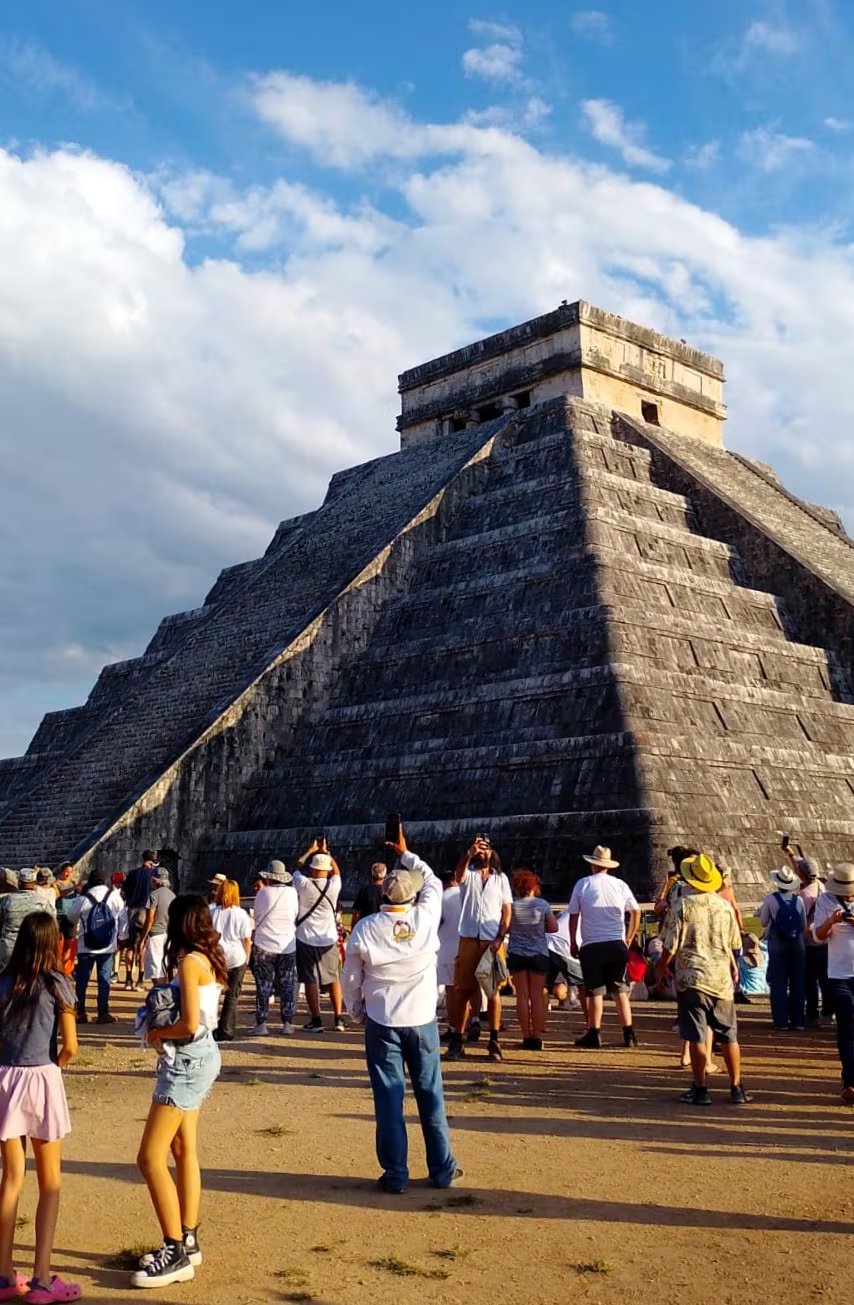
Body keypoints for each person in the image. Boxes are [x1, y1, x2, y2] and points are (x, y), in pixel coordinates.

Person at [342, 825, 459, 1194]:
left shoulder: (365, 928)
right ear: (412, 897)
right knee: (431, 1095)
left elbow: (351, 978)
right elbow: (433, 880)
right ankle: (442, 1170)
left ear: (381, 893)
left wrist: (357, 1011)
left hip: (382, 1020)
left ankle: (396, 1173)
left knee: (389, 1099)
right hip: (422, 1020)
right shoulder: (425, 919)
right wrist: (407, 853)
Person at [133, 895, 226, 1288]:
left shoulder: (189, 962)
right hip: (203, 1055)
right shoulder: (207, 957)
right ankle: (187, 1235)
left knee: (149, 1157)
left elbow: (188, 1023)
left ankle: (174, 1250)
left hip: (187, 1058)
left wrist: (155, 1032)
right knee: (183, 1148)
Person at [0, 912, 80, 1302]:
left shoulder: (4, 982)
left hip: (6, 1079)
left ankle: (2, 1274)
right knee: (50, 1183)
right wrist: (53, 1069)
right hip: (42, 1077)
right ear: (53, 943)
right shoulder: (58, 984)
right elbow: (70, 1046)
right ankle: (43, 1278)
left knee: (11, 1177)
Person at [656, 852, 751, 1106]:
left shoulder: (682, 906)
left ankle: (700, 1088)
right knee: (729, 1035)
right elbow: (733, 943)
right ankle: (737, 1086)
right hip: (720, 979)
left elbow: (669, 944)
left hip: (691, 978)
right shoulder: (724, 906)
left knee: (697, 1034)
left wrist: (661, 968)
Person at [445, 836, 511, 1064]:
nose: (482, 852)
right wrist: (468, 853)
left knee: (493, 993)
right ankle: (458, 1040)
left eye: (486, 849)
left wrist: (500, 938)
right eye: (479, 849)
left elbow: (507, 911)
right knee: (462, 991)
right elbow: (458, 874)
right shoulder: (469, 876)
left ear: (492, 853)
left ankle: (493, 1040)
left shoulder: (501, 880)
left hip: (492, 941)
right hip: (469, 939)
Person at [568, 845, 641, 1049]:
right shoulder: (620, 885)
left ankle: (594, 1032)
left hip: (592, 944)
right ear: (608, 866)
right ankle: (629, 1033)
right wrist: (629, 937)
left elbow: (574, 915)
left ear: (592, 864)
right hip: (616, 943)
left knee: (595, 991)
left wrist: (574, 941)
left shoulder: (582, 884)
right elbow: (635, 912)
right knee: (620, 990)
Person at [812, 863, 854, 1105]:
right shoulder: (826, 900)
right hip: (838, 974)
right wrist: (831, 921)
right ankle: (849, 1081)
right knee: (846, 1027)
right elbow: (817, 936)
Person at [293, 845, 345, 1033]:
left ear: (313, 869)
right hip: (329, 938)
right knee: (333, 979)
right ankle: (338, 1018)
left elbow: (296, 867)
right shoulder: (334, 885)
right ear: (327, 870)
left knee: (310, 979)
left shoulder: (304, 884)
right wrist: (328, 855)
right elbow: (337, 872)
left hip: (306, 937)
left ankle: (316, 1019)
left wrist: (311, 850)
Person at [507, 870, 558, 1050]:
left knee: (521, 996)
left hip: (517, 952)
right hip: (538, 953)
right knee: (537, 996)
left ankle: (525, 1035)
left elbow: (504, 927)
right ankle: (536, 1036)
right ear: (534, 886)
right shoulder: (542, 904)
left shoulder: (511, 905)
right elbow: (553, 927)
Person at [66, 868, 123, 1024]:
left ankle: (80, 1012)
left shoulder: (83, 898)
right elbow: (122, 919)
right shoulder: (114, 897)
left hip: (86, 946)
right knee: (104, 979)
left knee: (82, 981)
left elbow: (71, 917)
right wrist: (121, 938)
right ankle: (103, 1012)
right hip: (108, 946)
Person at [248, 861, 298, 1037]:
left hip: (264, 944)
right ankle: (287, 1022)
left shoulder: (263, 893)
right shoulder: (292, 893)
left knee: (263, 985)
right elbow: (294, 914)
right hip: (287, 943)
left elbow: (258, 915)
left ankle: (262, 1023)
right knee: (287, 984)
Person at [758, 865, 807, 1031]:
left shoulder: (771, 899)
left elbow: (764, 922)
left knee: (778, 982)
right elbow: (803, 924)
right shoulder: (798, 900)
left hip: (777, 942)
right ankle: (798, 1020)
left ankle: (781, 1021)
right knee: (797, 982)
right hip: (796, 943)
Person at [210, 880, 253, 1042]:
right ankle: (226, 1029)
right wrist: (247, 959)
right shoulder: (241, 914)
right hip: (236, 957)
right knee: (232, 996)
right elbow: (246, 939)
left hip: (216, 956)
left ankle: (210, 1026)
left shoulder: (211, 911)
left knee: (212, 993)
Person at [794, 857, 832, 1026]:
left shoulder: (802, 895)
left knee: (809, 981)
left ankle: (812, 1014)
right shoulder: (821, 887)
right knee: (825, 979)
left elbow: (799, 921)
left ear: (801, 873)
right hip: (824, 939)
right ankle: (828, 1012)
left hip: (808, 941)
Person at [0, 870, 54, 974]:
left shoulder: (7, 900)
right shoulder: (43, 902)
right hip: (33, 947)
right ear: (34, 883)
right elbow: (51, 923)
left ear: (19, 883)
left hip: (8, 947)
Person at [122, 852, 159, 990]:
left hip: (132, 910)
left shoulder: (132, 873)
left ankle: (128, 980)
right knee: (142, 946)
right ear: (152, 861)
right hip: (145, 909)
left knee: (130, 946)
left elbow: (123, 892)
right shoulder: (153, 874)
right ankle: (140, 980)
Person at [140, 868, 176, 986]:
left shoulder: (154, 895)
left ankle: (160, 995)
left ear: (155, 879)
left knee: (156, 971)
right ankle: (165, 994)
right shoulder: (172, 895)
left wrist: (142, 939)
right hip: (169, 935)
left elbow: (149, 919)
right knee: (165, 968)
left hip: (156, 935)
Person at [436, 876, 462, 1032]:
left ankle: (454, 1027)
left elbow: (435, 923)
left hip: (446, 948)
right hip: (467, 947)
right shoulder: (468, 896)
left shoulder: (441, 898)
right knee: (469, 989)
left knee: (451, 990)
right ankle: (473, 1021)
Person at [546, 909, 583, 1011]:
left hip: (546, 942)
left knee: (542, 985)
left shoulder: (567, 911)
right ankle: (592, 1025)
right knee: (582, 984)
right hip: (564, 947)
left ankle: (539, 1023)